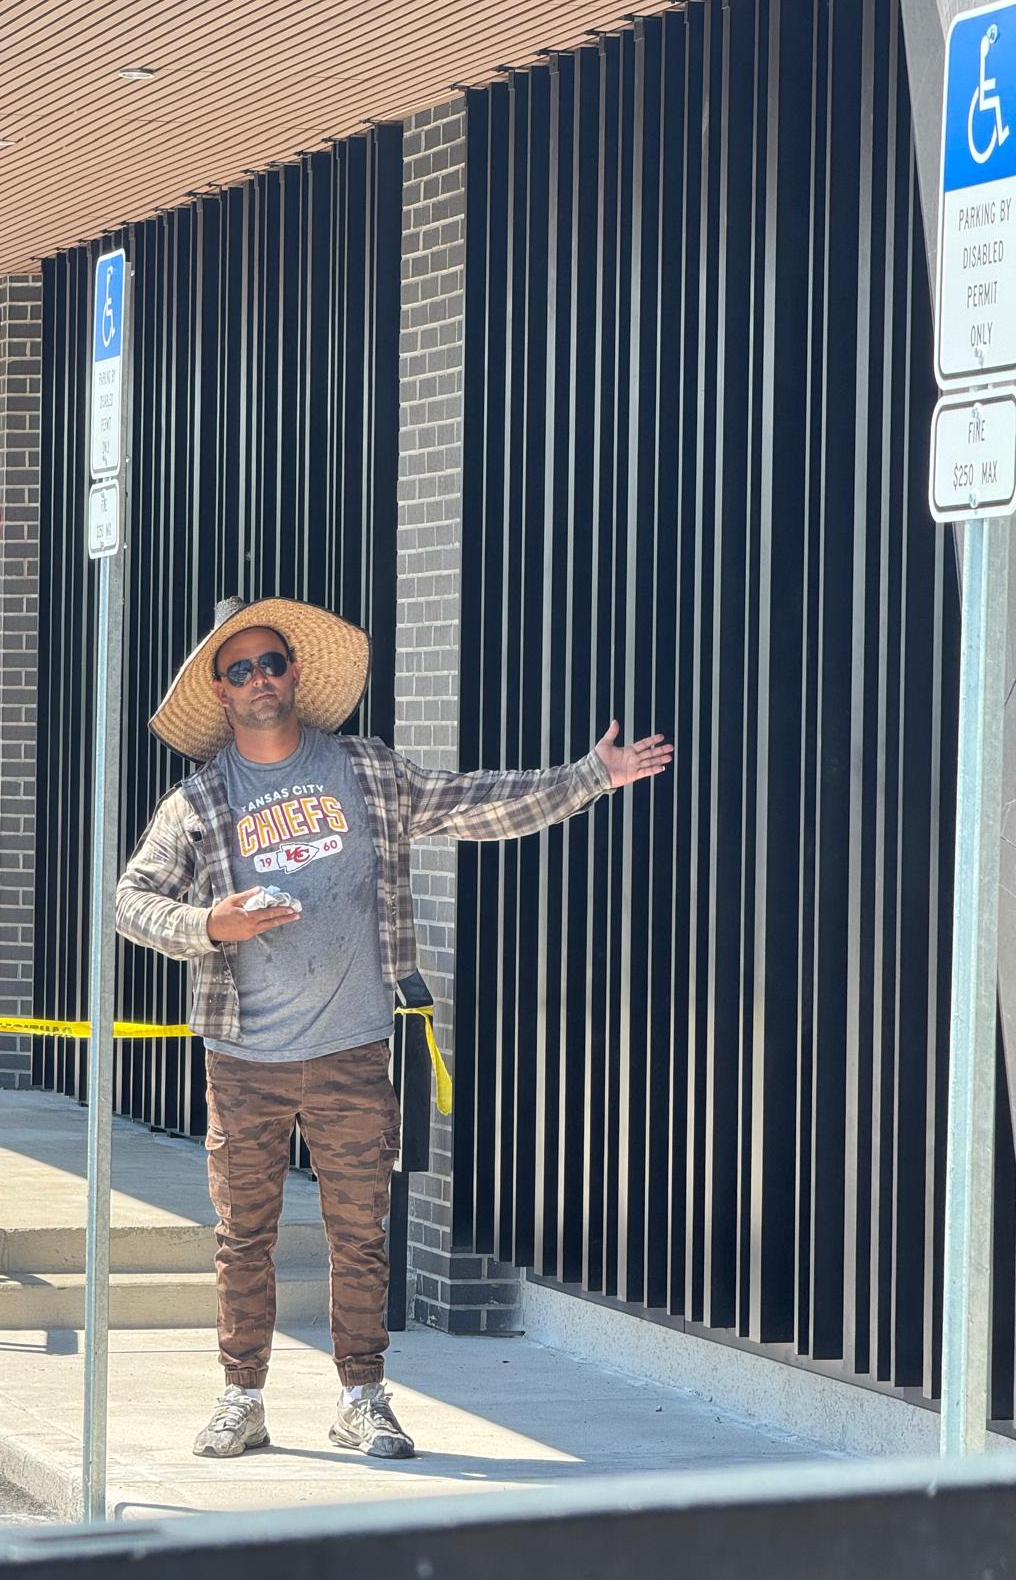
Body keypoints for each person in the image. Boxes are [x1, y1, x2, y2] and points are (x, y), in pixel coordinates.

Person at [115, 596, 673, 1463]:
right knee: (243, 1238)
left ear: (295, 674)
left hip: (353, 1048)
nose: (259, 679)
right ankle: (242, 1398)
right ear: (221, 693)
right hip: (245, 1058)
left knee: (361, 1234)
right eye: (240, 669)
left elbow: (470, 804)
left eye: (271, 663)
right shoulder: (198, 801)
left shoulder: (364, 770)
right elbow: (131, 900)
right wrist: (209, 924)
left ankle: (362, 1398)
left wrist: (588, 777)